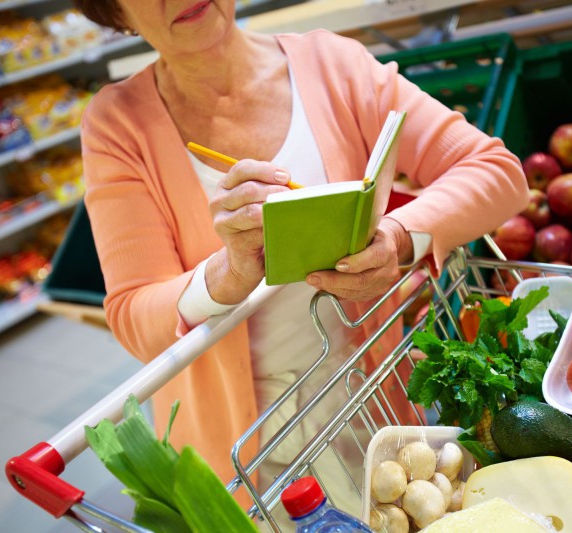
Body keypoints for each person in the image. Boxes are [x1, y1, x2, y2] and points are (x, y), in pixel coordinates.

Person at [74, 0, 529, 515]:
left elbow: (497, 171)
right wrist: (228, 273)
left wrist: (400, 237)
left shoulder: (333, 66)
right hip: (238, 456)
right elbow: (134, 316)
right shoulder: (118, 125)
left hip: (373, 414)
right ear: (113, 11)